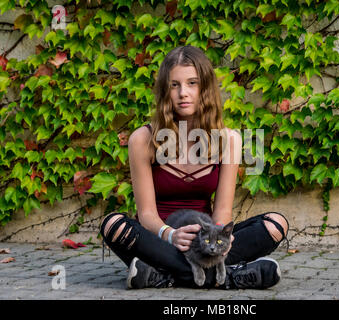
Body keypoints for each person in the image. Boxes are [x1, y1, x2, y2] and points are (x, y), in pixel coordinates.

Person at [99, 45, 289, 289]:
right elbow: (146, 215)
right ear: (165, 90)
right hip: (160, 240)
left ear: (206, 88)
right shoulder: (142, 139)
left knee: (275, 223)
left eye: (192, 83)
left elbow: (222, 212)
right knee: (113, 225)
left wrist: (221, 239)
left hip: (206, 241)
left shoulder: (229, 139)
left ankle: (163, 276)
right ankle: (228, 277)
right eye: (174, 85)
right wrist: (171, 235)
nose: (183, 93)